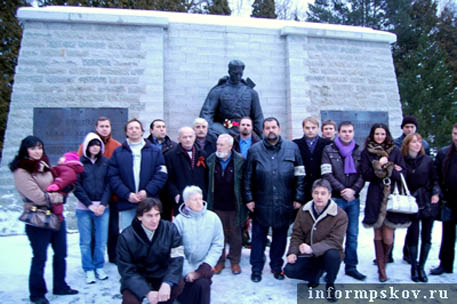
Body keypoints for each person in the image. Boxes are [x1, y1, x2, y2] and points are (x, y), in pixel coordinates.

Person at [10, 136, 78, 304]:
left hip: (56, 217)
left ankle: (60, 285)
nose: (37, 151)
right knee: (40, 258)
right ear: (25, 150)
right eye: (33, 148)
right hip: (38, 219)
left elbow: (59, 183)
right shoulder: (21, 171)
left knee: (61, 254)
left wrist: (67, 187)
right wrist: (60, 196)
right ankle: (37, 294)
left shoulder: (45, 166)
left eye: (39, 148)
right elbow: (38, 197)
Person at [244, 117, 305, 282]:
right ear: (263, 131)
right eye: (267, 128)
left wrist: (298, 197)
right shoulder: (254, 150)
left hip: (284, 202)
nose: (271, 130)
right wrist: (249, 199)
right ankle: (256, 268)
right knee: (258, 238)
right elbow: (247, 177)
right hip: (261, 202)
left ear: (279, 129)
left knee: (280, 237)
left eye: (273, 127)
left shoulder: (292, 148)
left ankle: (276, 267)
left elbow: (300, 174)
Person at [284, 179, 347, 303]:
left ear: (329, 195)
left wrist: (313, 248)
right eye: (316, 193)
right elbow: (297, 234)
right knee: (289, 270)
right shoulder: (303, 211)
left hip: (327, 255)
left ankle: (330, 284)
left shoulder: (340, 215)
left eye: (323, 193)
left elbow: (335, 241)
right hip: (308, 254)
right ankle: (314, 276)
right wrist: (292, 252)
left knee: (333, 255)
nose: (319, 197)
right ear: (312, 194)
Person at [360, 123, 407, 282]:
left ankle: (385, 259)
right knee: (377, 231)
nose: (380, 137)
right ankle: (381, 269)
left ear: (387, 135)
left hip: (392, 195)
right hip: (375, 195)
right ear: (372, 135)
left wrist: (389, 166)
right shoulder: (367, 152)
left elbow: (402, 173)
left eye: (382, 134)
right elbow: (366, 174)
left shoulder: (395, 151)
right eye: (377, 134)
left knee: (388, 237)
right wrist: (378, 165)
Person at [117, 198, 184, 304]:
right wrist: (146, 291)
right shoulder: (126, 237)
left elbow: (177, 257)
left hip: (161, 275)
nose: (154, 220)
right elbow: (126, 270)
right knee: (130, 301)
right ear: (139, 217)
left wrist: (168, 282)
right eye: (149, 215)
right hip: (138, 278)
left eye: (157, 215)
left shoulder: (170, 229)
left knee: (178, 283)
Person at [321, 121, 366, 280]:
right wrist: (342, 190)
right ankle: (330, 268)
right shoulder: (328, 150)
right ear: (338, 132)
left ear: (353, 133)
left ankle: (351, 266)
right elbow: (326, 173)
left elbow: (363, 174)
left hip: (353, 199)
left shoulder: (359, 151)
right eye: (344, 131)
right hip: (336, 198)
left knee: (352, 235)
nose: (347, 134)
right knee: (332, 236)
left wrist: (353, 190)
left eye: (350, 131)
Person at [109, 118, 168, 231]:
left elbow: (161, 174)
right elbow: (113, 177)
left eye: (137, 128)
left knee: (150, 236)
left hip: (149, 203)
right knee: (128, 237)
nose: (134, 130)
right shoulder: (118, 152)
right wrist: (127, 194)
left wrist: (147, 192)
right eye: (130, 128)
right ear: (126, 132)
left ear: (142, 131)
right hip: (127, 203)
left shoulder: (154, 151)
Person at [77, 116, 121, 264]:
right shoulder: (85, 146)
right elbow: (78, 168)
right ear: (96, 128)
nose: (104, 128)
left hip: (111, 197)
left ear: (110, 128)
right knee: (92, 233)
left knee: (112, 229)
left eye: (107, 126)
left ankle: (113, 256)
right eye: (101, 126)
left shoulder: (116, 146)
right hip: (91, 198)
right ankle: (92, 260)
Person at [173, 186, 224, 304]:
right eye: (194, 199)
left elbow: (218, 244)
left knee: (202, 286)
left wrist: (207, 264)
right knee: (186, 294)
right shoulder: (179, 221)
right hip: (182, 268)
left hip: (203, 267)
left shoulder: (213, 218)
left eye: (200, 198)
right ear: (186, 202)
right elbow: (175, 249)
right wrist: (187, 271)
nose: (199, 202)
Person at [401, 133, 440, 282]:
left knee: (426, 236)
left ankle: (421, 266)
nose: (417, 144)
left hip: (427, 201)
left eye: (419, 142)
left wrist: (436, 193)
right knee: (413, 235)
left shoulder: (428, 160)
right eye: (414, 142)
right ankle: (413, 267)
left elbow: (436, 179)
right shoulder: (402, 161)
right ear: (407, 144)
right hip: (411, 202)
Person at [73, 133, 111, 284]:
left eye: (97, 144)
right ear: (86, 146)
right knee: (86, 241)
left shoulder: (106, 163)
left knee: (101, 240)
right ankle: (88, 268)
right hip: (84, 208)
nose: (95, 147)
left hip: (103, 207)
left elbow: (109, 184)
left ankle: (99, 266)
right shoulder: (78, 163)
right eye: (91, 144)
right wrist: (89, 204)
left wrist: (102, 204)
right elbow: (76, 186)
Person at [206, 134, 247, 275]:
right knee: (218, 236)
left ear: (230, 146)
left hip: (235, 205)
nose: (219, 147)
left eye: (222, 145)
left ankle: (235, 262)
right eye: (218, 144)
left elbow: (245, 183)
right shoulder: (211, 160)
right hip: (216, 205)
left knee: (236, 235)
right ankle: (219, 262)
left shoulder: (240, 160)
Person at [200, 59, 264, 138]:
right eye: (235, 73)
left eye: (240, 74)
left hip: (245, 130)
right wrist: (208, 131)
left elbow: (258, 117)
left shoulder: (251, 92)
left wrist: (262, 135)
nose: (238, 76)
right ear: (229, 72)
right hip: (224, 129)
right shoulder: (218, 91)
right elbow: (206, 114)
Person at [430, 123, 457, 276]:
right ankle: (445, 264)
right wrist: (438, 192)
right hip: (449, 200)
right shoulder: (444, 153)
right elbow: (437, 175)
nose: (456, 137)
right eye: (454, 133)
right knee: (447, 235)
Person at [165, 126, 208, 216]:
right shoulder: (170, 156)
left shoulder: (202, 154)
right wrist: (175, 194)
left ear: (195, 137)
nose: (188, 140)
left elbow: (207, 177)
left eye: (190, 136)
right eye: (184, 137)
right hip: (181, 198)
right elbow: (168, 179)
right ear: (179, 139)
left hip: (200, 198)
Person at [294, 117, 331, 203]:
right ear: (303, 128)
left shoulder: (327, 144)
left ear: (318, 128)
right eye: (307, 128)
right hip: (303, 187)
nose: (310, 130)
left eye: (313, 128)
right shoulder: (296, 144)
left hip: (321, 186)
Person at [146, 119, 177, 221]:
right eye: (158, 127)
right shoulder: (144, 145)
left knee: (165, 217)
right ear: (151, 130)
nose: (162, 129)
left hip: (167, 188)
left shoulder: (173, 146)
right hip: (149, 186)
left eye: (163, 127)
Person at [46, 151, 84, 221]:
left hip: (59, 189)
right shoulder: (63, 168)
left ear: (68, 160)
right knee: (56, 204)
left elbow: (65, 178)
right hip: (59, 190)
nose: (60, 158)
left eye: (63, 157)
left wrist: (57, 185)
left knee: (57, 205)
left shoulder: (67, 169)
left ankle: (59, 217)